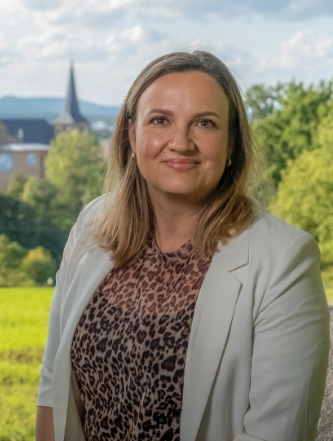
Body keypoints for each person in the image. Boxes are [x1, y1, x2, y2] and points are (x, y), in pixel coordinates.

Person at [36, 51, 330, 441]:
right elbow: (53, 385)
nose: (181, 142)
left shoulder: (284, 260)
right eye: (160, 120)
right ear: (132, 134)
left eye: (205, 124)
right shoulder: (93, 224)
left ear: (231, 145)